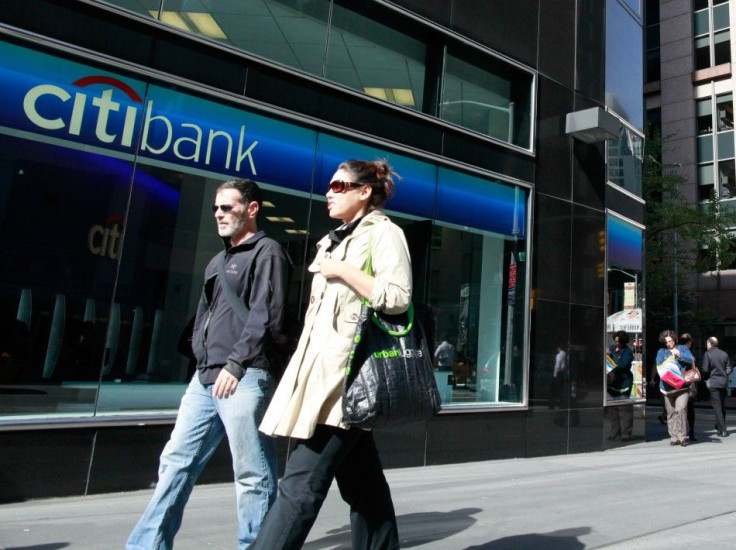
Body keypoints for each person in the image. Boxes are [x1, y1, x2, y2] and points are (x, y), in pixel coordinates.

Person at [253, 159, 411, 549]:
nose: (329, 191)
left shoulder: (384, 234)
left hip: (345, 380)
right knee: (364, 486)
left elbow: (397, 297)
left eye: (339, 186)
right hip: (319, 377)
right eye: (329, 185)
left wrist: (342, 270)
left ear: (364, 192)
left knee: (300, 484)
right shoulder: (331, 241)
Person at [127, 179, 290, 550]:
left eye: (227, 207)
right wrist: (202, 362)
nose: (219, 214)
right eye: (216, 208)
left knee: (252, 472)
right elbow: (205, 315)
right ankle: (146, 545)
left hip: (244, 375)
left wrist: (236, 364)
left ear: (251, 209)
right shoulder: (218, 261)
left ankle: (256, 545)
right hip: (205, 380)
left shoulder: (268, 252)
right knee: (175, 463)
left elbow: (268, 316)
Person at [656, 329, 694, 447]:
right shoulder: (662, 352)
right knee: (671, 412)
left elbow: (691, 359)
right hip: (667, 387)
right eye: (666, 342)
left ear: (674, 339)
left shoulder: (682, 348)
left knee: (681, 409)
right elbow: (659, 364)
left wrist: (679, 354)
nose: (668, 343)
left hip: (682, 386)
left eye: (670, 341)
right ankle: (674, 437)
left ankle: (682, 436)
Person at [700, 336, 732, 438]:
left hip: (713, 382)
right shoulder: (724, 354)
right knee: (721, 405)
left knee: (717, 406)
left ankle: (723, 429)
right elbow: (729, 368)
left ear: (709, 343)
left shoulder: (707, 354)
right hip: (723, 382)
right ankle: (719, 427)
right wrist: (724, 373)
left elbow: (705, 369)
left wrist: (706, 376)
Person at [606, 330, 634, 441]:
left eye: (619, 342)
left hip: (623, 383)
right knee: (612, 409)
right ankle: (614, 431)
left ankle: (626, 432)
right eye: (616, 341)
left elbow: (622, 365)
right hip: (612, 384)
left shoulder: (627, 352)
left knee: (624, 409)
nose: (617, 343)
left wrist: (611, 356)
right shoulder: (612, 348)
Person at [679, 333, 698, 441]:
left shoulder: (682, 352)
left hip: (683, 383)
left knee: (686, 407)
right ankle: (688, 431)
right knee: (686, 408)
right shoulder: (688, 354)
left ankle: (687, 431)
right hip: (685, 382)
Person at [549, 344, 568, 409]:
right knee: (560, 390)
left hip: (558, 374)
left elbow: (557, 365)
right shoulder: (565, 354)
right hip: (562, 374)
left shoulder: (559, 355)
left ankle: (552, 405)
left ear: (558, 348)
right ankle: (561, 404)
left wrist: (555, 374)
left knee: (553, 390)